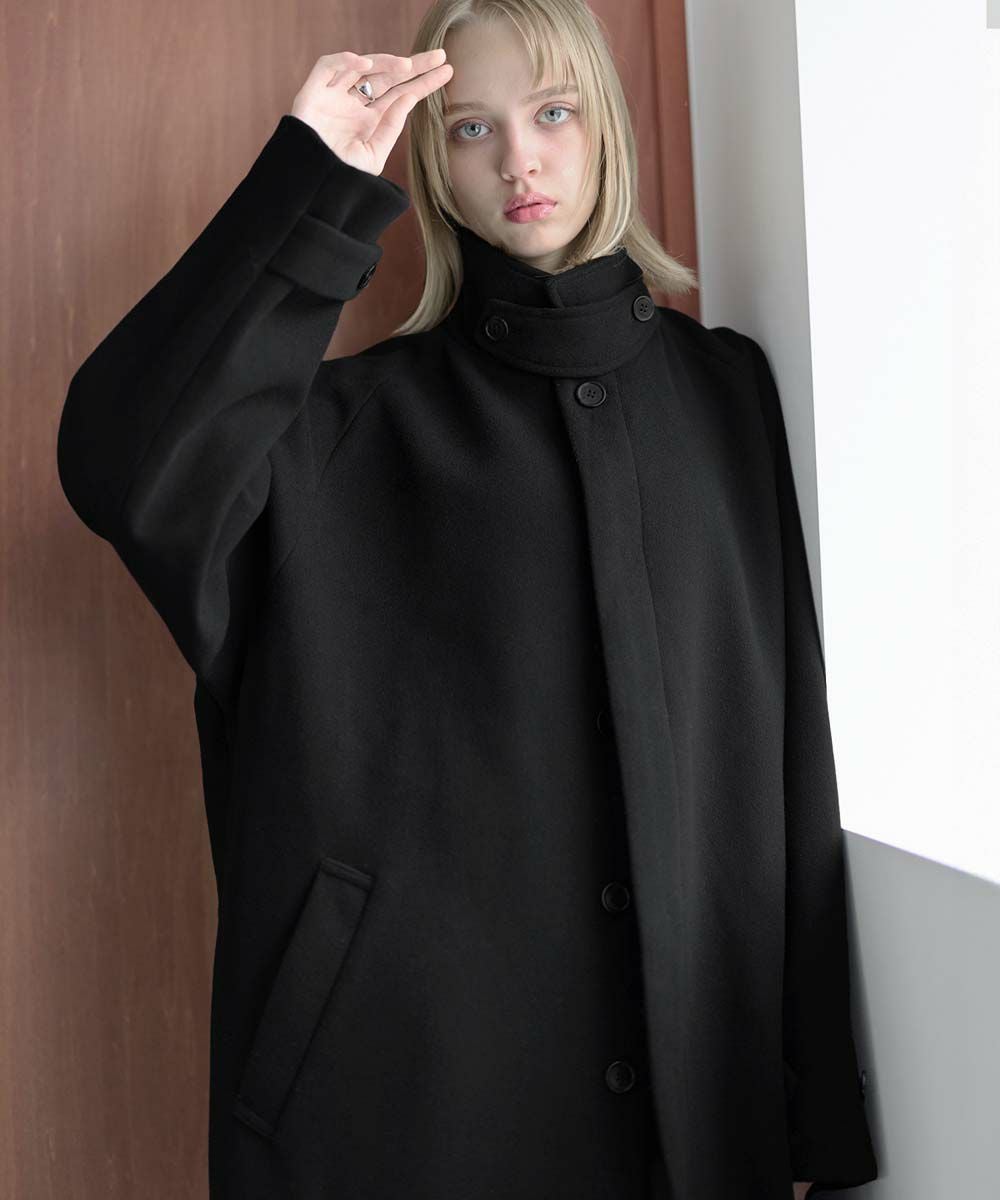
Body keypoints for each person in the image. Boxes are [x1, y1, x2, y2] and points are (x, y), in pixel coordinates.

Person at [56, 0, 878, 1196]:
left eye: (553, 113)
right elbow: (124, 465)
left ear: (607, 127)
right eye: (470, 129)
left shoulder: (723, 396)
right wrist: (312, 184)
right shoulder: (343, 432)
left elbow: (788, 746)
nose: (519, 160)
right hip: (403, 1105)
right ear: (433, 168)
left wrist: (816, 1122)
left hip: (701, 1099)